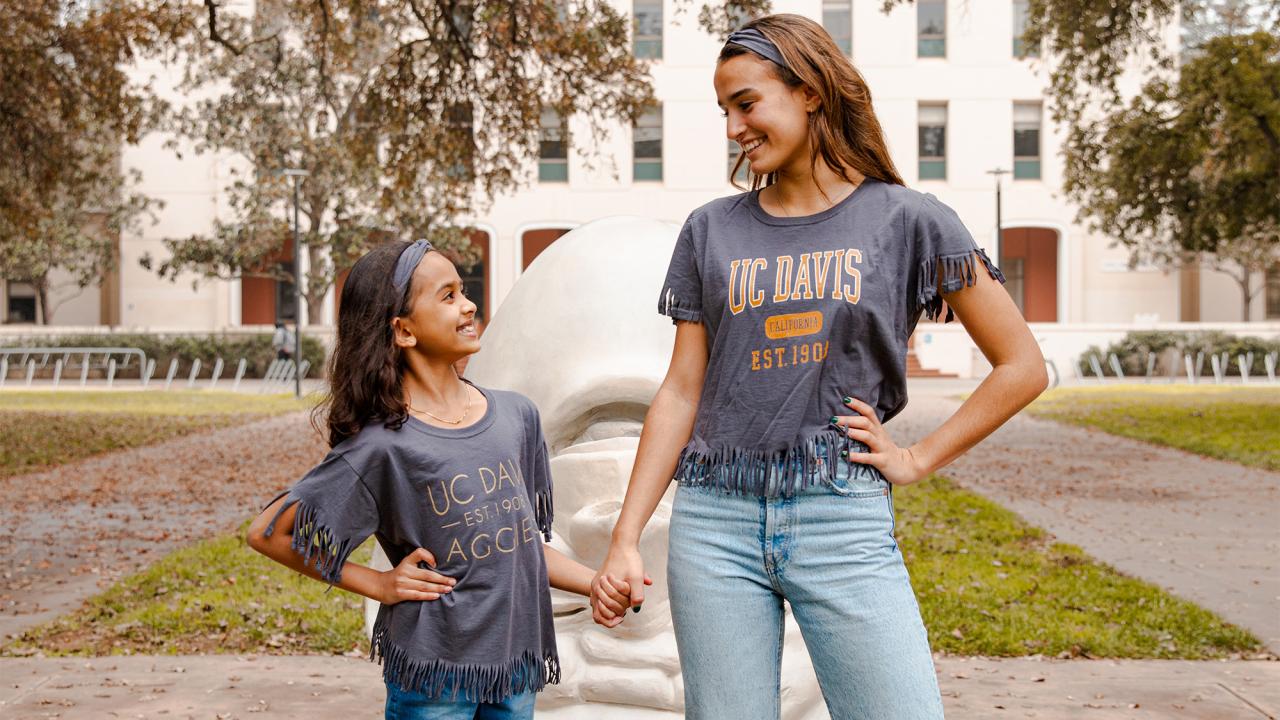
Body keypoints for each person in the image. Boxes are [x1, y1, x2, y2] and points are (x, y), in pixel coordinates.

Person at [589, 14, 1049, 720]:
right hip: (715, 521)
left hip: (840, 514)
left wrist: (918, 457)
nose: (734, 127)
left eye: (747, 103)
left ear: (809, 91)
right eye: (724, 111)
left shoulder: (909, 220)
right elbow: (682, 391)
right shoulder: (711, 230)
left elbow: (1022, 365)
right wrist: (625, 538)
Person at [247, 240, 631, 720]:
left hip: (517, 665)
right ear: (404, 330)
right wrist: (379, 584)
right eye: (448, 296)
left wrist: (594, 583)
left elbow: (519, 546)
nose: (469, 305)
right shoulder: (381, 445)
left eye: (464, 291)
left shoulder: (517, 416)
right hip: (435, 679)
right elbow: (269, 532)